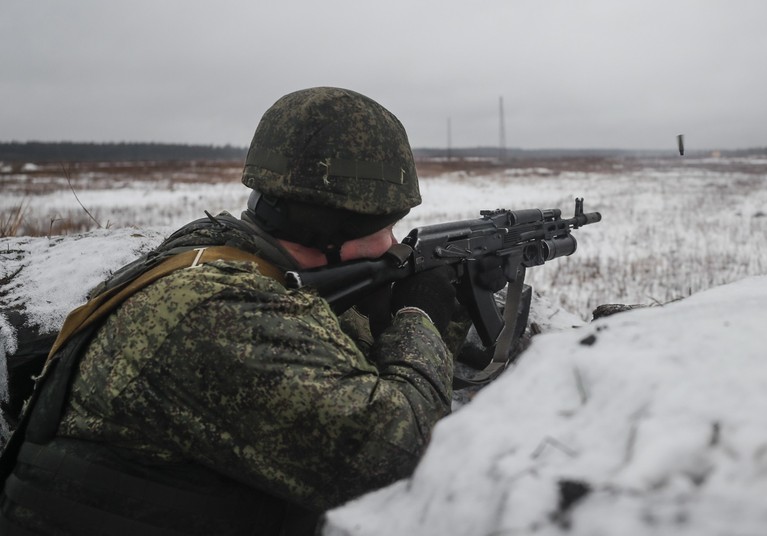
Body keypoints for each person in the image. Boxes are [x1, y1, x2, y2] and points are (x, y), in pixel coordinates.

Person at [0, 87, 460, 535]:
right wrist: (421, 318)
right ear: (332, 228)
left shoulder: (216, 256)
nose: (394, 244)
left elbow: (317, 349)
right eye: (386, 226)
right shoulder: (217, 313)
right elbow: (392, 455)